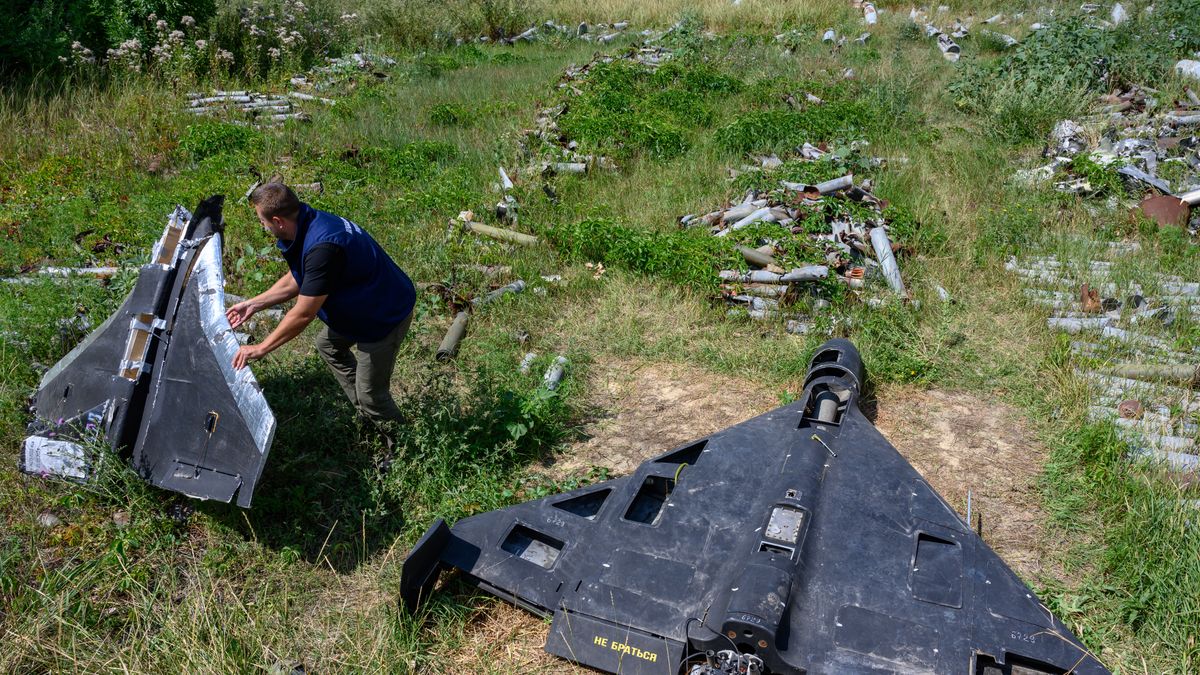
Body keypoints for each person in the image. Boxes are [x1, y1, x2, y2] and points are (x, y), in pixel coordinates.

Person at [227, 183, 416, 427]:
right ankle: (369, 418)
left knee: (372, 395)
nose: (262, 227)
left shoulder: (323, 246)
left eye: (262, 222)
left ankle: (399, 445)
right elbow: (303, 275)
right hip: (366, 303)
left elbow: (303, 314)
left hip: (383, 315)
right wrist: (254, 304)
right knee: (328, 345)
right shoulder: (307, 222)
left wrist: (261, 348)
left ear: (278, 221)